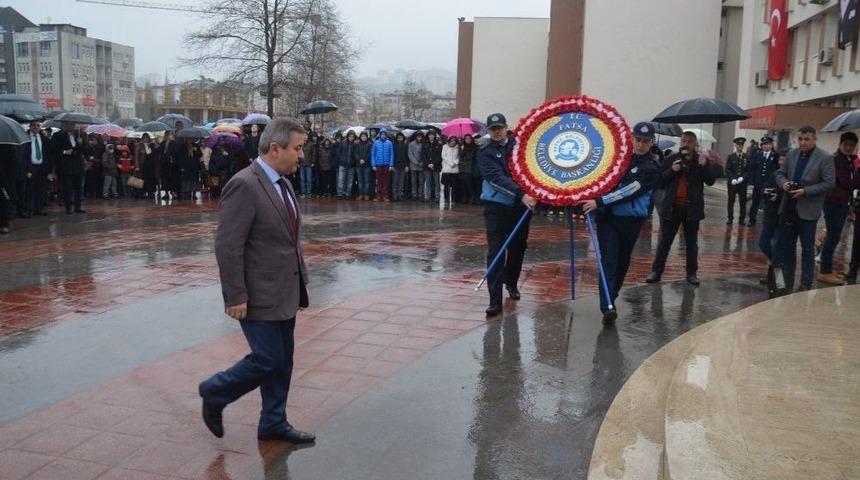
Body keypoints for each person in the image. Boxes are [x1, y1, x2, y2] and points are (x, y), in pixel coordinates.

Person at [199, 117, 315, 444]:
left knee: (282, 362)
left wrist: (300, 283)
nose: (301, 155)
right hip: (256, 294)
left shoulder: (283, 184)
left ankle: (273, 422)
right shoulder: (244, 185)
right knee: (267, 359)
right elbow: (228, 245)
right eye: (297, 148)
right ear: (275, 148)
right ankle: (215, 391)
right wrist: (235, 295)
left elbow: (288, 241)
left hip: (284, 291)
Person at [581, 122, 662, 326]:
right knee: (608, 260)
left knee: (622, 261)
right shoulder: (620, 158)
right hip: (608, 218)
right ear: (632, 138)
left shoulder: (652, 167)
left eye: (645, 141)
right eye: (638, 139)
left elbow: (630, 191)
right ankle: (607, 305)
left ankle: (612, 294)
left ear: (652, 142)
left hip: (630, 221)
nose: (640, 144)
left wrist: (599, 201)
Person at [479, 113, 537, 317]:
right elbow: (495, 178)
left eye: (500, 128)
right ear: (489, 131)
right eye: (493, 129)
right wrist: (522, 194)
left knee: (518, 247)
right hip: (496, 207)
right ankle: (494, 301)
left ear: (506, 127)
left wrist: (537, 192)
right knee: (496, 251)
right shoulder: (485, 152)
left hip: (520, 208)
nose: (497, 132)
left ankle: (511, 282)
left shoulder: (520, 147)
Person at [646, 131, 716, 285]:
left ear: (695, 143)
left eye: (690, 141)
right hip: (672, 207)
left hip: (692, 208)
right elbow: (659, 182)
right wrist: (672, 170)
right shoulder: (671, 159)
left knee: (691, 243)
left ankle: (691, 273)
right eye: (684, 141)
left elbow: (710, 181)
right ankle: (656, 271)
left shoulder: (700, 160)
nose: (686, 144)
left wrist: (704, 166)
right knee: (665, 241)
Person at [774, 126, 835, 291]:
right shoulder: (791, 154)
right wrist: (784, 183)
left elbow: (829, 183)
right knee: (788, 247)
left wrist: (806, 191)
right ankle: (786, 282)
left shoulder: (825, 157)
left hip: (808, 210)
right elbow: (779, 173)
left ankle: (806, 283)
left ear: (814, 139)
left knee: (807, 248)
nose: (802, 142)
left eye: (806, 139)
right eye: (800, 139)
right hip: (789, 207)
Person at [816, 132, 858, 285]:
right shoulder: (836, 160)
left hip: (842, 203)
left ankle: (827, 268)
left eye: (852, 145)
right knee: (833, 237)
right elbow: (846, 183)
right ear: (840, 144)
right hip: (833, 203)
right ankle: (824, 272)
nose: (848, 148)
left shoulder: (849, 160)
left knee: (834, 237)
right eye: (846, 144)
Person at [52, 122, 86, 214]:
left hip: (78, 165)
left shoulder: (79, 135)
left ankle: (78, 207)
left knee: (78, 188)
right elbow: (54, 150)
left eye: (72, 125)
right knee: (68, 188)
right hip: (66, 166)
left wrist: (81, 143)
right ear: (65, 125)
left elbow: (84, 150)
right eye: (68, 124)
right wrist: (64, 152)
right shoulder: (59, 136)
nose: (70, 126)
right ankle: (68, 207)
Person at [20, 120, 51, 216]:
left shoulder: (43, 138)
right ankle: (28, 209)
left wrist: (48, 169)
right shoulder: (25, 137)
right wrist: (26, 169)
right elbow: (23, 155)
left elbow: (47, 153)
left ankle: (38, 208)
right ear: (30, 126)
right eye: (34, 125)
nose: (36, 127)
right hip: (30, 167)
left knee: (41, 189)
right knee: (29, 189)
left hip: (41, 167)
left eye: (38, 125)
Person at [747, 136, 777, 227]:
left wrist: (774, 184)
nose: (765, 146)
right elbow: (752, 169)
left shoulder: (775, 156)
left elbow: (776, 170)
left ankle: (767, 222)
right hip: (758, 183)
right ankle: (752, 220)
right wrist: (751, 183)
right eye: (763, 144)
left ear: (771, 145)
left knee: (768, 204)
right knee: (755, 203)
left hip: (768, 185)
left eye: (767, 144)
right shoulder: (757, 155)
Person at [725, 137, 749, 225]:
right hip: (733, 183)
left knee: (743, 202)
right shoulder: (731, 157)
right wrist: (732, 178)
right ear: (735, 145)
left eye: (741, 145)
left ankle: (742, 219)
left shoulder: (746, 157)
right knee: (731, 201)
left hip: (742, 183)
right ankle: (730, 218)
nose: (740, 146)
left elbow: (748, 170)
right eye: (738, 144)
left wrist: (743, 178)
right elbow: (727, 169)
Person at [371, 130, 394, 201]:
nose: (383, 136)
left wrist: (391, 165)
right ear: (380, 135)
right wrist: (373, 165)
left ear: (386, 135)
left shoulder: (389, 143)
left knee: (386, 181)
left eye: (384, 134)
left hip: (386, 165)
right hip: (378, 165)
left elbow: (391, 154)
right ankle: (378, 196)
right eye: (382, 134)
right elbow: (373, 154)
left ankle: (385, 196)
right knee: (378, 181)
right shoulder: (376, 142)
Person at [336, 131, 356, 199]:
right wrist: (341, 159)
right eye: (350, 136)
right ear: (347, 136)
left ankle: (348, 194)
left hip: (351, 165)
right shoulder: (343, 143)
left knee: (349, 181)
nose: (351, 138)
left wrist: (353, 161)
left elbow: (356, 154)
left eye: (352, 137)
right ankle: (340, 194)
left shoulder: (355, 144)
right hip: (342, 165)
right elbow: (338, 152)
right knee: (341, 180)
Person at [441, 136, 460, 205]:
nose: (453, 142)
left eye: (454, 141)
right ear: (449, 141)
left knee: (454, 186)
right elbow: (443, 156)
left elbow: (458, 157)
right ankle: (446, 199)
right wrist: (450, 163)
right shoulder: (444, 147)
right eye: (451, 141)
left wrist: (455, 163)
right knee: (446, 186)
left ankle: (453, 199)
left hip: (455, 170)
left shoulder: (458, 147)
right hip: (446, 169)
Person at [354, 131, 372, 200]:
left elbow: (370, 153)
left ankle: (366, 194)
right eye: (362, 136)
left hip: (367, 165)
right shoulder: (357, 144)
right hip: (359, 165)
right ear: (360, 137)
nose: (363, 137)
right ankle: (361, 194)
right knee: (360, 181)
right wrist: (359, 159)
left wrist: (364, 159)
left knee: (367, 181)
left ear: (367, 137)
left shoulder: (369, 144)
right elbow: (355, 153)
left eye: (365, 136)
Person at [459, 134, 477, 204]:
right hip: (462, 168)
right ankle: (465, 197)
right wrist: (462, 149)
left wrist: (463, 159)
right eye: (466, 138)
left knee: (469, 183)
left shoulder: (473, 147)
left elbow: (470, 156)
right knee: (463, 183)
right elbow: (459, 156)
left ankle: (472, 197)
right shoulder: (462, 147)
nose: (467, 140)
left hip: (469, 168)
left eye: (469, 138)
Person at [392, 132, 409, 201]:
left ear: (403, 138)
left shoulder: (405, 145)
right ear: (396, 138)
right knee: (395, 181)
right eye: (398, 138)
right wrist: (392, 165)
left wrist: (407, 165)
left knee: (401, 181)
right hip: (395, 165)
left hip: (403, 165)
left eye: (401, 138)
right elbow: (392, 155)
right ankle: (395, 195)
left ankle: (400, 194)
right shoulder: (394, 145)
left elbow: (407, 156)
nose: (399, 139)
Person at [300, 132, 317, 197]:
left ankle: (309, 192)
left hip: (309, 163)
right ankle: (303, 193)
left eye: (306, 136)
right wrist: (298, 162)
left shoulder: (311, 144)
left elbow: (314, 153)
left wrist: (313, 162)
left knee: (309, 179)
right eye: (304, 136)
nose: (305, 137)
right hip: (301, 163)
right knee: (302, 179)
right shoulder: (300, 143)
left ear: (308, 137)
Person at [408, 132, 424, 201]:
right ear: (416, 137)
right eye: (418, 137)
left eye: (420, 137)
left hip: (421, 165)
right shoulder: (411, 144)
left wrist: (422, 162)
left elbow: (425, 154)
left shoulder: (423, 144)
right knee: (413, 181)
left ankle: (420, 194)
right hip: (413, 165)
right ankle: (414, 194)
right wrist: (416, 162)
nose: (419, 138)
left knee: (421, 182)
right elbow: (410, 154)